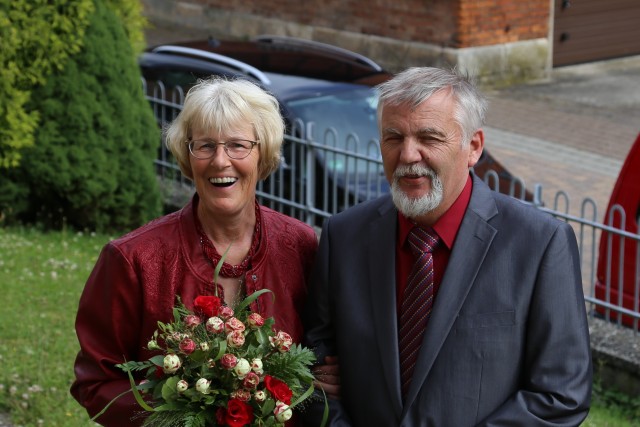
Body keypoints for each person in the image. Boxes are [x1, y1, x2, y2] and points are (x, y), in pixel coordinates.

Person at [302, 67, 592, 426]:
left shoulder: (539, 244)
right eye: (393, 137)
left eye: (429, 137)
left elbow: (561, 395)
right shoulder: (343, 236)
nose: (408, 155)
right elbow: (313, 369)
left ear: (473, 147)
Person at [71, 77, 335, 425]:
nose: (220, 161)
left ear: (263, 154)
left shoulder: (300, 245)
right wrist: (180, 412)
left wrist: (323, 377)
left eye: (238, 145)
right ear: (187, 155)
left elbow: (320, 354)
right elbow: (96, 383)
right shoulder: (133, 259)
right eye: (205, 146)